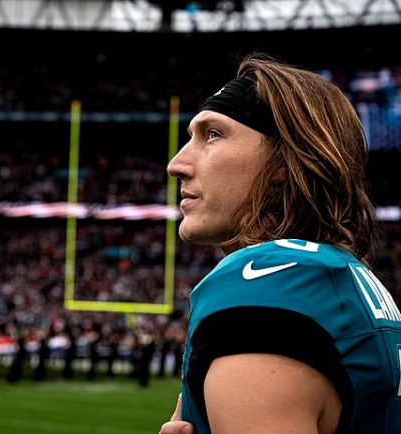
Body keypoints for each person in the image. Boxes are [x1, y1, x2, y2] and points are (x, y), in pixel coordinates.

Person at [160, 53, 401, 434]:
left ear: (285, 164)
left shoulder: (267, 281)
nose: (177, 163)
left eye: (213, 134)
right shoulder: (345, 277)